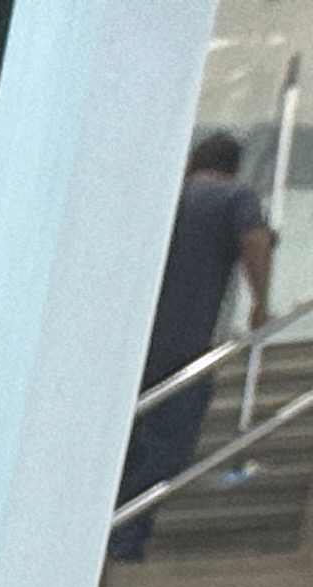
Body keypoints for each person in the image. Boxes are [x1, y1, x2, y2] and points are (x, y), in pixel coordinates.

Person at [118, 123, 277, 560]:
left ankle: (106, 530)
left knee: (128, 438)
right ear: (232, 167)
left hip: (137, 341)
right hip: (187, 346)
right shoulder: (235, 197)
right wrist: (261, 304)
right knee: (167, 442)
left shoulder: (171, 194)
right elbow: (256, 239)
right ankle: (125, 539)